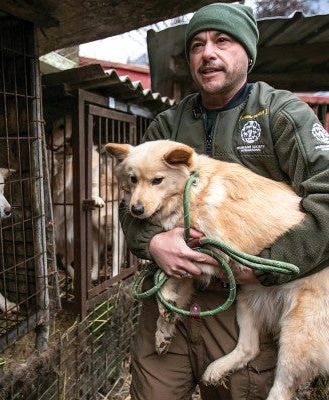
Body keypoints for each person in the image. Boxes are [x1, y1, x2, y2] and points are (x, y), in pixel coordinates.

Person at [119, 3, 329, 400]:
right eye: (196, 45)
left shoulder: (281, 115)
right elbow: (132, 204)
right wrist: (151, 242)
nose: (207, 53)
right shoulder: (167, 124)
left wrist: (265, 268)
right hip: (173, 298)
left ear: (247, 53)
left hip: (249, 301)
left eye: (222, 40)